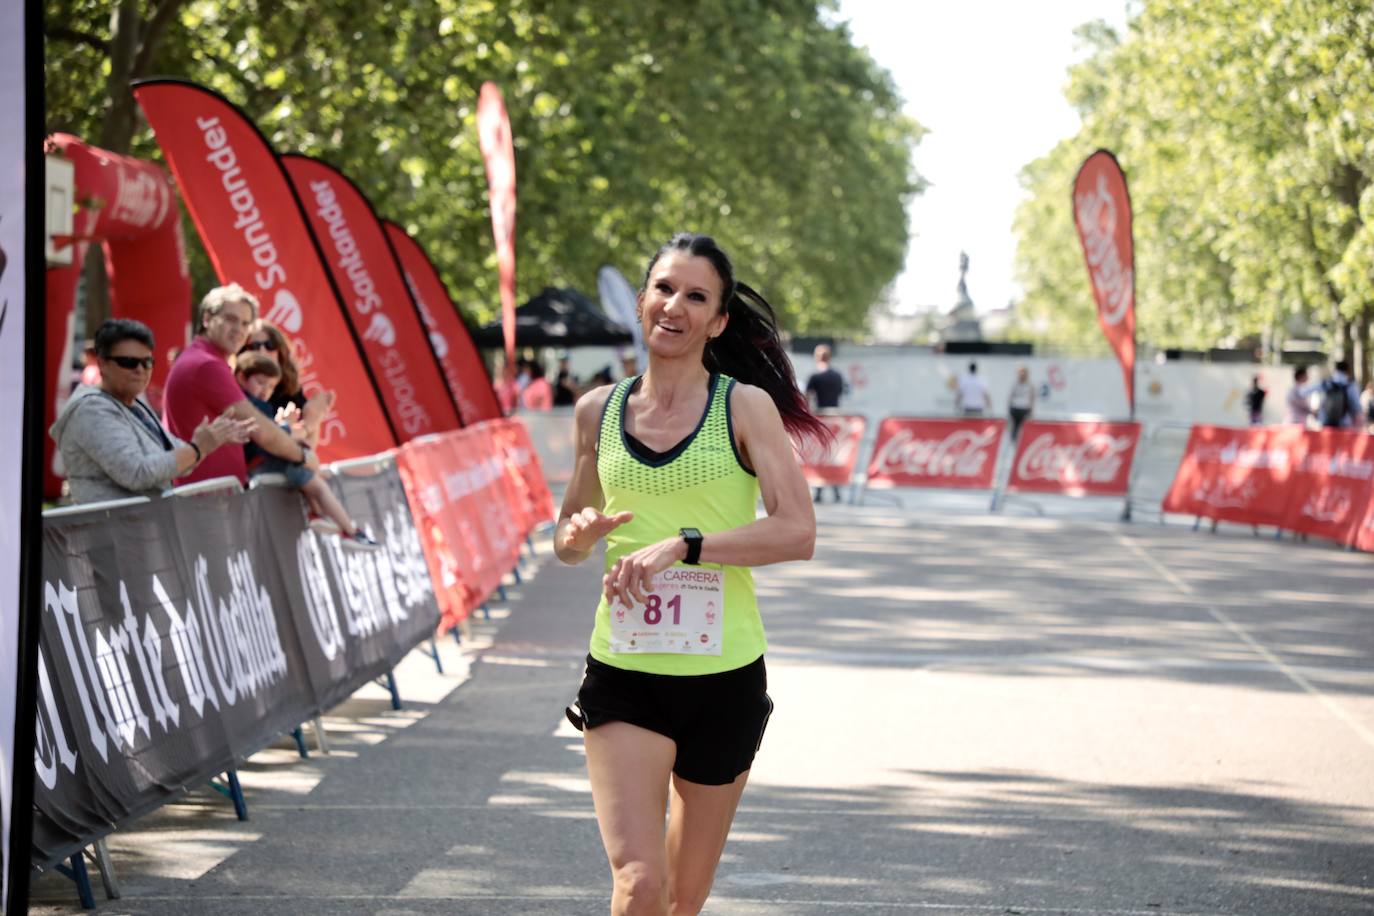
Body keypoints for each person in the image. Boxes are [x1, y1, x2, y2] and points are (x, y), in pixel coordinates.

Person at [555, 233, 821, 915]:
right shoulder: (597, 412)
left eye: (696, 296)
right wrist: (578, 537)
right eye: (664, 288)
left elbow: (797, 531)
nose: (675, 305)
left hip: (723, 677)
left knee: (681, 900)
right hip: (624, 670)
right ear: (642, 301)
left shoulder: (743, 408)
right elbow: (568, 539)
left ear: (719, 321)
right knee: (640, 885)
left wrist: (687, 545)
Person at [50, 318, 253, 504]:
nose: (140, 370)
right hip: (112, 538)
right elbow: (137, 473)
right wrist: (198, 448)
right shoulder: (91, 410)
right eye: (128, 362)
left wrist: (211, 439)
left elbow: (180, 460)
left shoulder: (133, 404)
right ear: (102, 363)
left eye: (147, 362)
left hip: (143, 533)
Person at [164, 283, 320, 486]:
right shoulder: (206, 364)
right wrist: (303, 456)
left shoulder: (206, 359)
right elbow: (260, 429)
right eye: (231, 319)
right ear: (207, 319)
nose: (239, 329)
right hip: (210, 498)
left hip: (215, 495)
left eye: (246, 324)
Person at [235, 354, 379, 550]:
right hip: (261, 463)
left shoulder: (255, 403)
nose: (265, 391)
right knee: (317, 485)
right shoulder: (249, 404)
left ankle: (318, 513)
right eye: (261, 383)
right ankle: (350, 531)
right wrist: (305, 426)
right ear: (242, 378)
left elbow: (280, 434)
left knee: (309, 468)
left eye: (270, 387)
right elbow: (275, 436)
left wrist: (302, 426)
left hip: (267, 461)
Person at [238, 319, 335, 448]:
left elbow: (308, 447)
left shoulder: (291, 389)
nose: (262, 351)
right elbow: (269, 441)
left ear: (280, 350)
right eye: (254, 346)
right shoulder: (241, 393)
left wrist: (312, 415)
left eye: (269, 345)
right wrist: (305, 427)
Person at [804, 344, 846, 502]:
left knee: (821, 455)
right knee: (834, 454)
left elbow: (807, 397)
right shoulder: (837, 375)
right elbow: (841, 393)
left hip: (821, 418)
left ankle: (820, 491)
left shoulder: (815, 376)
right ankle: (836, 490)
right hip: (836, 418)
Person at [1317, 359, 1362, 429]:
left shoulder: (1327, 383)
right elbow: (1356, 406)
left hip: (1325, 421)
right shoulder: (1350, 385)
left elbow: (1305, 392)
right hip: (1344, 423)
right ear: (1348, 370)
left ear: (1336, 369)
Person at [1007, 365, 1035, 440]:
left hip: (1024, 408)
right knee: (1014, 429)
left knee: (1024, 429)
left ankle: (1022, 442)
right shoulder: (1015, 384)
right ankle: (1014, 442)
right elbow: (1011, 397)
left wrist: (1031, 410)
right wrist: (1009, 408)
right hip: (1015, 408)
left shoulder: (1029, 385)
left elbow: (1032, 398)